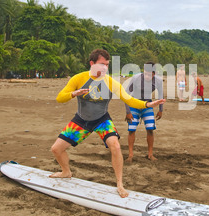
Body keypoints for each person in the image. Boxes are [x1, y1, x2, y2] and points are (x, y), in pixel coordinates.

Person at [49, 49, 166, 198]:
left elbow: (128, 99)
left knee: (115, 146)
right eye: (101, 64)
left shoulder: (110, 81)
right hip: (81, 120)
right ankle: (66, 172)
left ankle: (119, 184)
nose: (105, 68)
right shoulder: (79, 78)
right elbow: (60, 98)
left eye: (107, 65)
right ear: (92, 63)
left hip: (102, 120)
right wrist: (74, 93)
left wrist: (148, 105)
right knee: (56, 149)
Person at [124, 62, 164, 163]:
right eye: (145, 73)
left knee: (150, 128)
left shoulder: (158, 81)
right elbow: (126, 95)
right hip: (134, 105)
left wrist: (160, 110)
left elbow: (160, 96)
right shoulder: (136, 78)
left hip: (147, 105)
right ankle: (130, 155)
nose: (146, 76)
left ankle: (150, 154)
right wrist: (128, 111)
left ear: (154, 74)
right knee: (132, 129)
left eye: (149, 74)